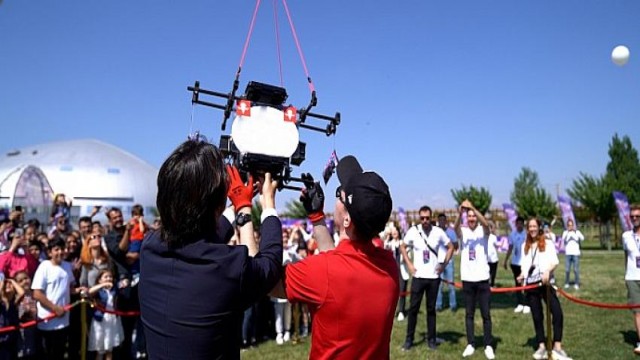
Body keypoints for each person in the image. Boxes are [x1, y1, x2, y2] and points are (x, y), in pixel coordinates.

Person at [139, 139, 283, 360]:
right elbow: (268, 266)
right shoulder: (229, 267)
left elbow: (197, 238)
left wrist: (236, 206)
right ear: (216, 204)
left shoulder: (150, 248)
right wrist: (264, 205)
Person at [274, 155, 399, 359]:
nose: (338, 194)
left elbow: (261, 280)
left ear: (347, 218)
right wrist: (317, 218)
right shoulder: (388, 265)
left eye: (339, 194)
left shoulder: (324, 270)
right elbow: (336, 265)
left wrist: (263, 206)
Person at [400, 206, 454, 351]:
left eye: (427, 218)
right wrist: (409, 264)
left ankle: (431, 340)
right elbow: (403, 247)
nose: (425, 221)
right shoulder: (413, 231)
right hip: (418, 277)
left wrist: (443, 264)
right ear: (419, 218)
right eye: (422, 218)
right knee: (413, 309)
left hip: (433, 277)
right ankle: (409, 340)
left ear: (431, 218)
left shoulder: (438, 232)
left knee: (431, 310)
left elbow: (450, 247)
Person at [518, 217, 572, 360]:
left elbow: (555, 261)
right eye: (530, 227)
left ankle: (557, 347)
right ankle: (541, 346)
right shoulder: (525, 245)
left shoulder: (547, 243)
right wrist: (522, 275)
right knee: (537, 316)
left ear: (539, 227)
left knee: (557, 313)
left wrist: (548, 271)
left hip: (546, 285)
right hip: (531, 285)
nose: (532, 229)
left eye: (534, 226)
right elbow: (524, 265)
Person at [455, 200, 495, 360]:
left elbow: (486, 224)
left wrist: (472, 207)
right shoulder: (463, 232)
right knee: (469, 314)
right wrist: (460, 213)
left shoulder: (482, 231)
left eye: (473, 216)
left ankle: (488, 344)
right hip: (468, 279)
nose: (471, 218)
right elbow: (455, 228)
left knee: (486, 314)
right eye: (469, 216)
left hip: (483, 278)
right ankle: (471, 343)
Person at [31, 238, 84, 360]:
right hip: (47, 322)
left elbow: (69, 288)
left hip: (63, 321)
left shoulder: (67, 266)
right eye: (56, 250)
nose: (60, 252)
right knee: (48, 354)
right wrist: (55, 308)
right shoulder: (44, 267)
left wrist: (81, 290)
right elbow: (37, 293)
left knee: (59, 354)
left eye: (62, 249)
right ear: (50, 252)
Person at [88, 269, 124, 360]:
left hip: (112, 320)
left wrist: (125, 282)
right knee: (100, 350)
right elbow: (90, 292)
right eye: (106, 277)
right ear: (100, 280)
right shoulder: (98, 290)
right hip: (101, 321)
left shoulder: (114, 288)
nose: (109, 279)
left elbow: (122, 284)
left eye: (110, 276)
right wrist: (102, 285)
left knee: (109, 349)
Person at [623, 204, 640, 356]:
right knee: (637, 311)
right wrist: (626, 275)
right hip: (632, 277)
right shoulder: (626, 236)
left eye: (637, 216)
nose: (634, 219)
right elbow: (625, 257)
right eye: (632, 216)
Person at [504, 216, 529, 314]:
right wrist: (506, 260)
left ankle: (527, 304)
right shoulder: (512, 234)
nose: (519, 225)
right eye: (517, 224)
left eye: (521, 223)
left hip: (525, 262)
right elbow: (510, 247)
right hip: (515, 263)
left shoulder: (527, 235)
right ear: (515, 224)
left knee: (526, 283)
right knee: (518, 284)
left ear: (523, 224)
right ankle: (520, 303)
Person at [435, 212, 458, 312]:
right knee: (438, 285)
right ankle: (438, 305)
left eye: (443, 220)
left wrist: (449, 244)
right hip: (438, 262)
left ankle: (453, 305)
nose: (441, 222)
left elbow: (456, 245)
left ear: (446, 221)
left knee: (451, 284)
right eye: (440, 220)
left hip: (449, 262)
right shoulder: (435, 232)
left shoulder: (451, 232)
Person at [562, 219, 584, 290]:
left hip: (575, 253)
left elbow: (582, 238)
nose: (570, 227)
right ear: (567, 226)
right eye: (569, 225)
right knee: (567, 270)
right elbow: (563, 240)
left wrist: (576, 233)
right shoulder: (565, 233)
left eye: (571, 225)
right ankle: (567, 283)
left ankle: (576, 283)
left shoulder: (577, 232)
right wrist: (567, 234)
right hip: (568, 253)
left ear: (573, 225)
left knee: (575, 269)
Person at [487, 222, 500, 287]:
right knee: (487, 272)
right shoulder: (484, 236)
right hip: (486, 258)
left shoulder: (493, 237)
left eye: (490, 228)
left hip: (494, 258)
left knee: (493, 272)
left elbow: (496, 245)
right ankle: (487, 284)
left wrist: (500, 244)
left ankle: (492, 284)